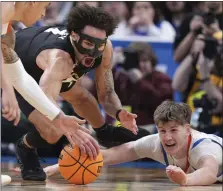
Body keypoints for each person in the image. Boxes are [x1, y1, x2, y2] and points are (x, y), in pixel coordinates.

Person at [13, 5, 150, 181]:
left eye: (98, 45)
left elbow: (107, 93)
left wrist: (118, 112)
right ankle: (24, 147)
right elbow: (45, 102)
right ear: (74, 36)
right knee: (53, 131)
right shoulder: (60, 60)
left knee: (82, 97)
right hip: (20, 70)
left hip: (42, 56)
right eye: (88, 43)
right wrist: (68, 128)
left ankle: (104, 132)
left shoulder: (105, 47)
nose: (93, 52)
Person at [43, 101, 222, 186]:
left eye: (174, 130)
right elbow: (110, 155)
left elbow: (209, 173)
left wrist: (185, 179)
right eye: (162, 131)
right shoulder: (155, 144)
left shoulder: (204, 147)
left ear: (188, 129)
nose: (167, 137)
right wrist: (59, 167)